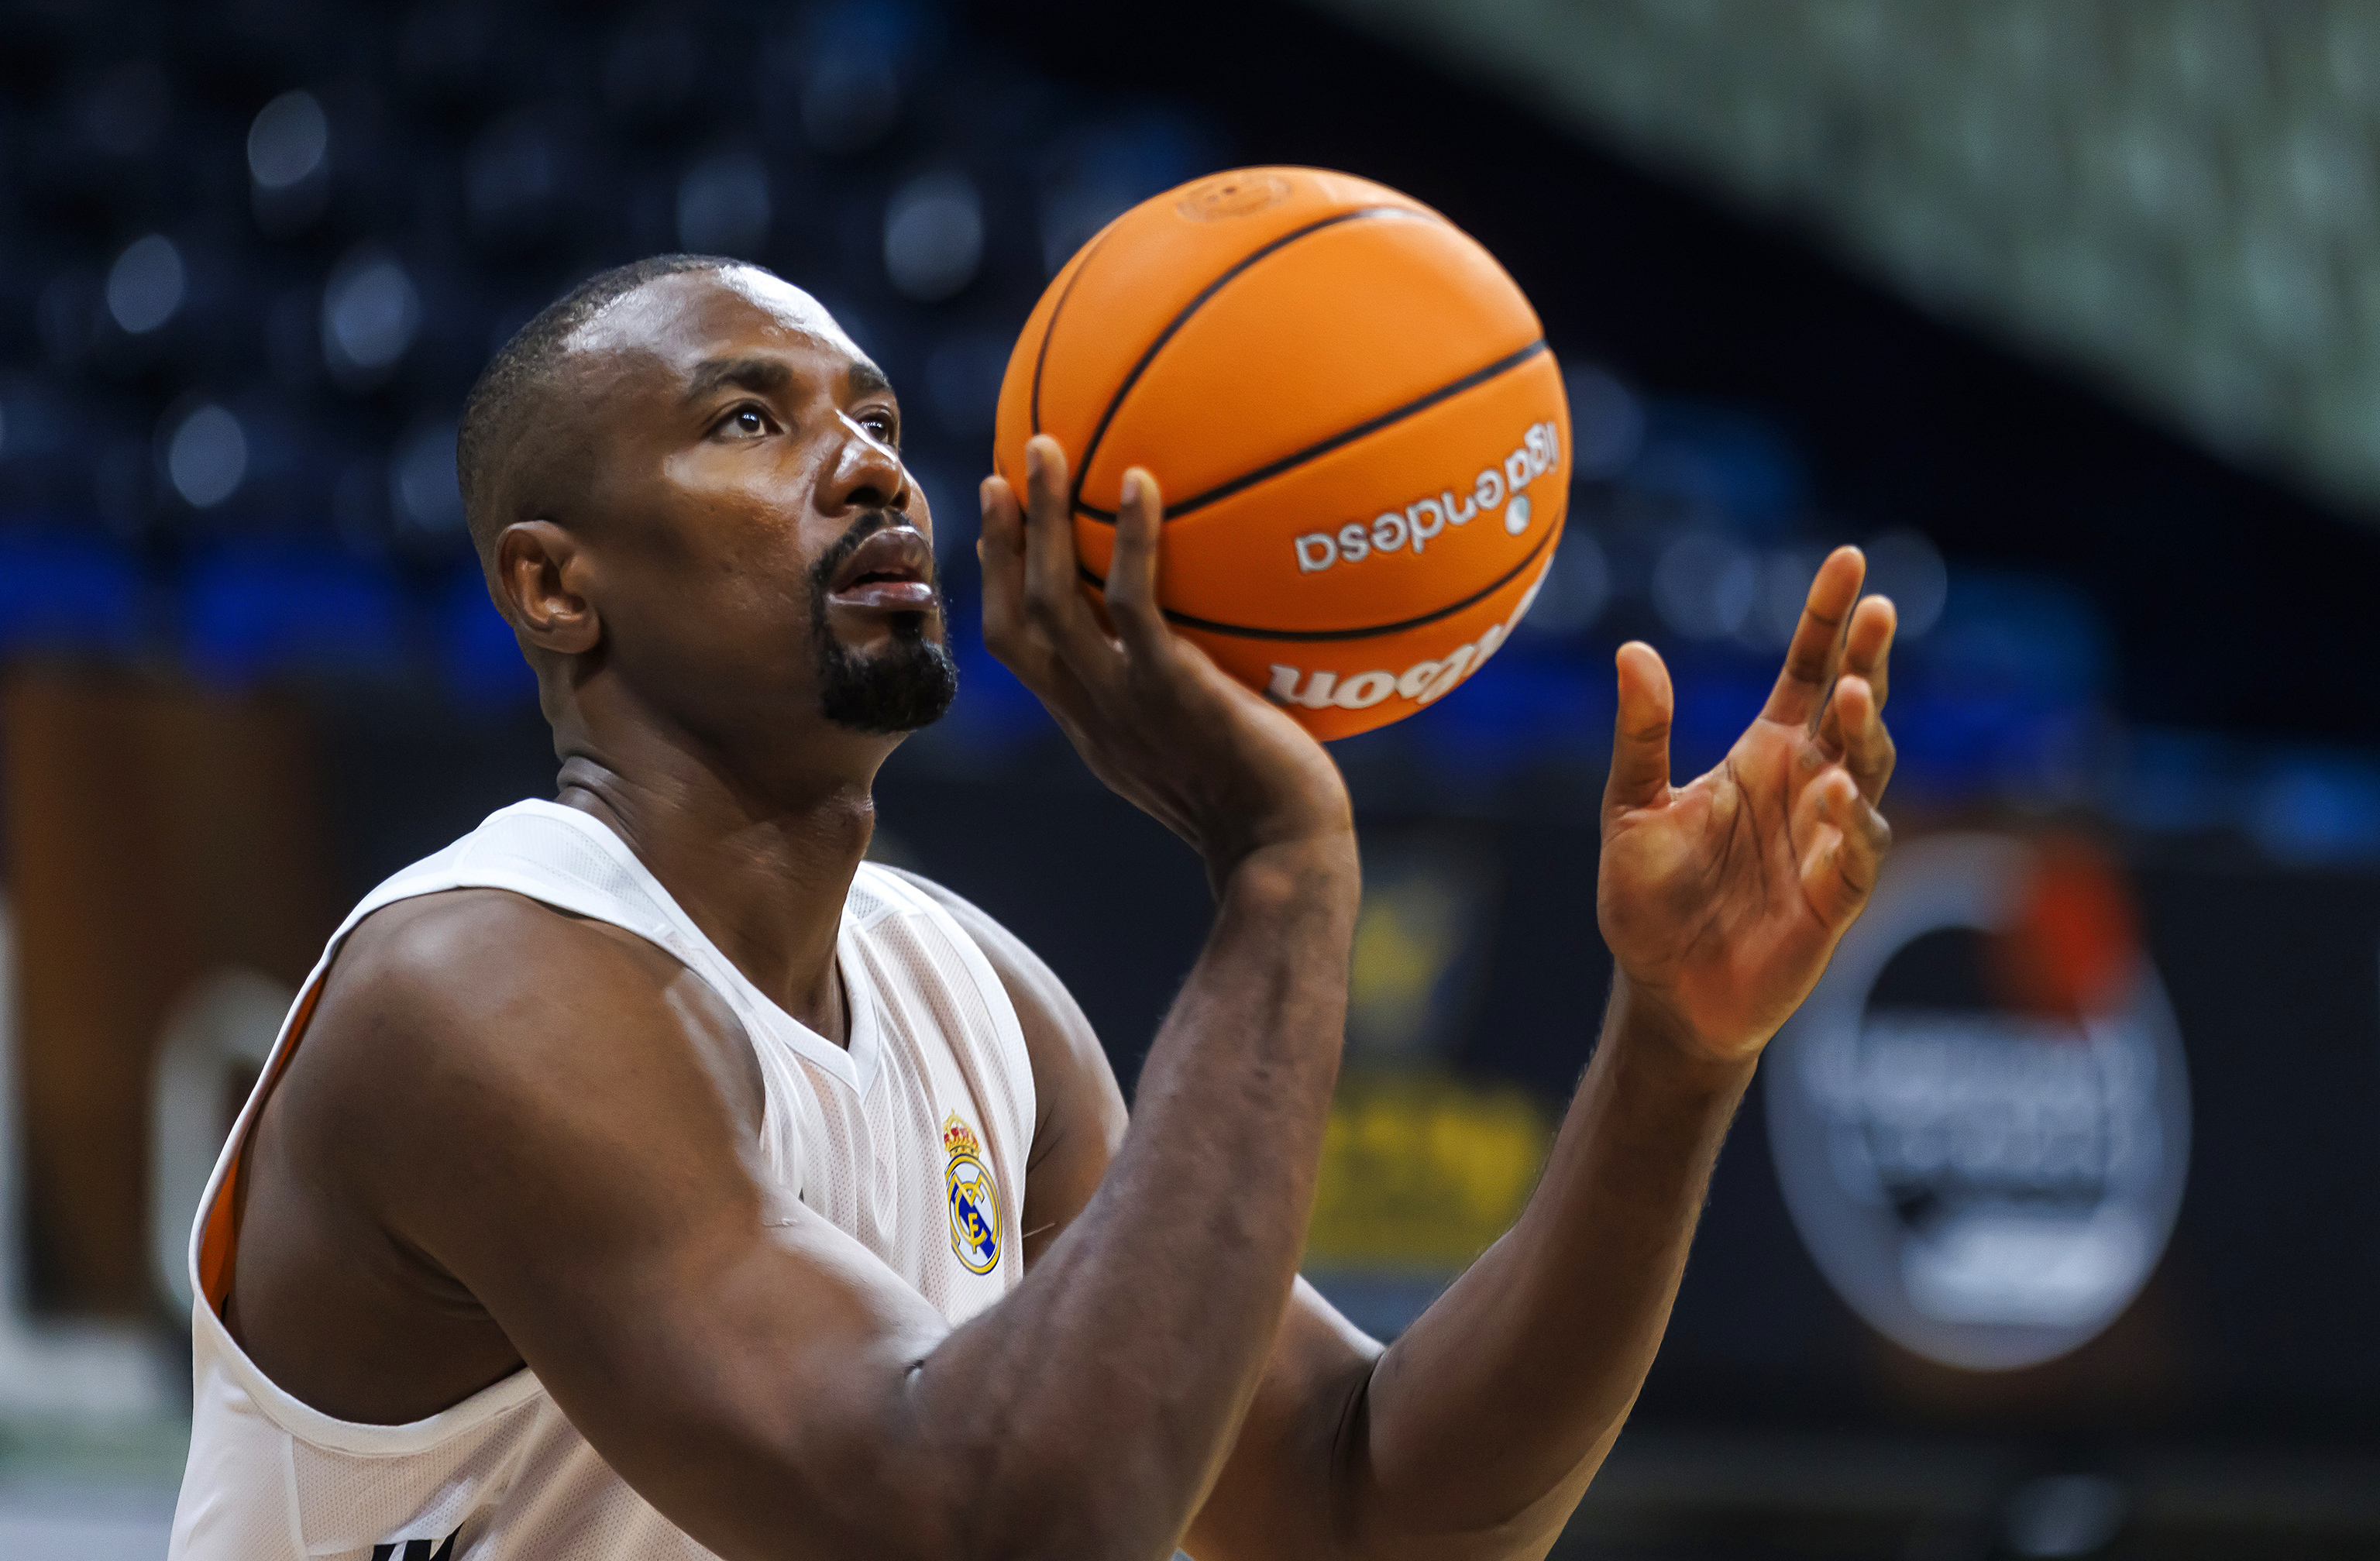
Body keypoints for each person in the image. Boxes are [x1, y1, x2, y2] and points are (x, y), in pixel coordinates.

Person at [169, 253, 1898, 1561]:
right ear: (557, 586)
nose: (863, 467)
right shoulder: (477, 986)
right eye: (752, 419)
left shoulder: (969, 998)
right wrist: (1284, 875)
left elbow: (1372, 1511)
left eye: (876, 422)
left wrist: (1677, 1051)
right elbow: (982, 1529)